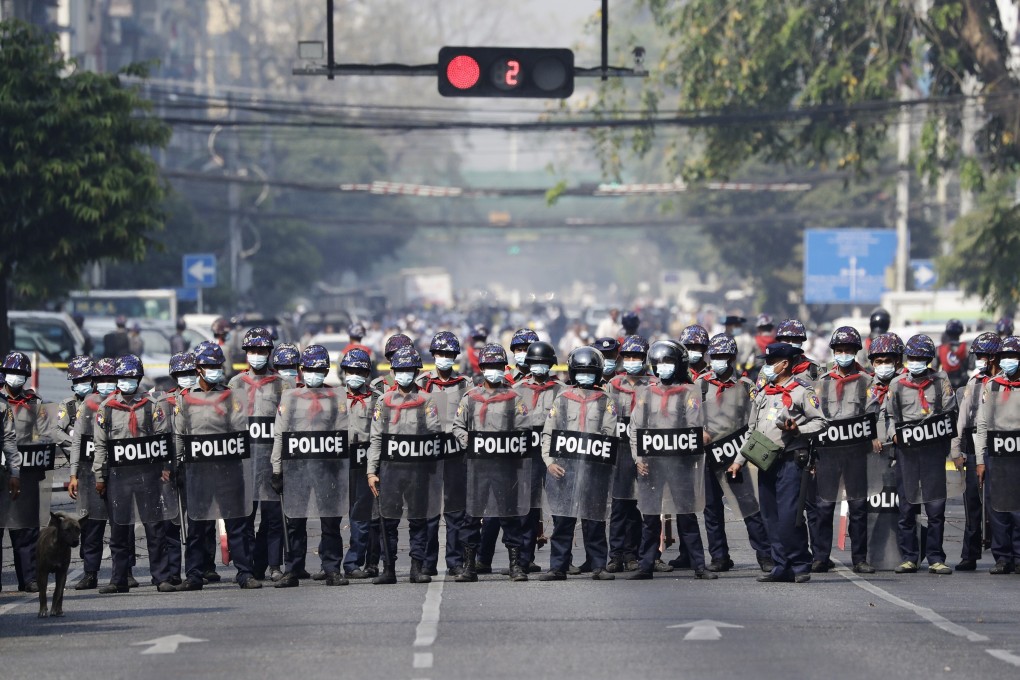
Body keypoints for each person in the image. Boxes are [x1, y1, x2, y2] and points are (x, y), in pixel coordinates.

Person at [731, 342, 825, 583]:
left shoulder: (802, 391)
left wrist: (798, 430)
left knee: (789, 515)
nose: (768, 366)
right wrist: (739, 461)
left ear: (785, 364)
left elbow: (821, 423)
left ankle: (800, 564)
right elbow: (752, 430)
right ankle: (781, 565)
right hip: (765, 460)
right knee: (770, 516)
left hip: (791, 461)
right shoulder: (764, 393)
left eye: (772, 362)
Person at [173, 342, 261, 590]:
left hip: (227, 469)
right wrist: (177, 465)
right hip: (198, 470)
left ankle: (245, 572)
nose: (214, 370)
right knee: (197, 525)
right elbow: (179, 434)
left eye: (217, 366)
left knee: (237, 524)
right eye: (209, 366)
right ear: (199, 369)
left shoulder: (230, 395)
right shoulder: (186, 398)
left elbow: (240, 429)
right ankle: (193, 575)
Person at [629, 340, 716, 580]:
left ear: (678, 365)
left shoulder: (689, 393)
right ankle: (646, 565)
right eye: (659, 363)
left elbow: (694, 425)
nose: (663, 367)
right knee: (649, 517)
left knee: (687, 515)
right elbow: (635, 429)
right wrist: (638, 458)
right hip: (652, 464)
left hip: (680, 464)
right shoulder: (646, 393)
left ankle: (699, 565)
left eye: (668, 362)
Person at [92, 354, 176, 593]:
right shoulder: (106, 408)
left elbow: (163, 439)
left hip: (148, 475)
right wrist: (100, 476)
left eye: (130, 377)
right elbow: (100, 445)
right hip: (119, 477)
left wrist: (166, 468)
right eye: (122, 378)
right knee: (119, 530)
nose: (126, 382)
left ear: (138, 379)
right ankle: (118, 579)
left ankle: (161, 578)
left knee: (155, 528)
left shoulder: (151, 405)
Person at [271, 345, 350, 588]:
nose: (314, 373)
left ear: (326, 371)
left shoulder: (337, 396)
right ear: (302, 370)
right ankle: (293, 569)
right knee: (295, 522)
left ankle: (332, 569)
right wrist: (276, 469)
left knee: (330, 521)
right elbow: (280, 435)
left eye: (320, 369)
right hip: (297, 468)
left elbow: (344, 431)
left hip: (327, 468)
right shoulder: (290, 397)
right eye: (310, 369)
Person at [452, 344, 531, 582]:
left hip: (505, 467)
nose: (493, 371)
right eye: (489, 367)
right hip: (477, 466)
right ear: (482, 368)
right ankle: (469, 565)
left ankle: (516, 564)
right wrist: (471, 442)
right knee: (472, 516)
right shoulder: (470, 398)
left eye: (498, 367)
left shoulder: (514, 398)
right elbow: (457, 426)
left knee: (509, 515)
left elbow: (523, 428)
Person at [880, 334, 958, 575]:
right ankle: (909, 557)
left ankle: (935, 557)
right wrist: (892, 434)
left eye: (921, 358)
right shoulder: (897, 384)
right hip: (907, 452)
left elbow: (950, 412)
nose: (916, 362)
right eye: (912, 357)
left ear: (929, 359)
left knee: (936, 508)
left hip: (933, 452)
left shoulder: (940, 381)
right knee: (906, 507)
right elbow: (889, 415)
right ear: (906, 359)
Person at [539, 346, 618, 581]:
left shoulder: (606, 401)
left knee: (594, 520)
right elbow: (548, 434)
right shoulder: (562, 399)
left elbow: (609, 434)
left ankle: (598, 566)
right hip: (565, 471)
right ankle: (558, 567)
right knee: (563, 520)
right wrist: (549, 462)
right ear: (573, 373)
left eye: (590, 372)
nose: (586, 376)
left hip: (594, 471)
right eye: (581, 372)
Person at [366, 345, 444, 585]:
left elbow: (434, 431)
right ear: (394, 371)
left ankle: (417, 567)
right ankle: (388, 568)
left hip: (418, 469)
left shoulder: (426, 399)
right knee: (387, 521)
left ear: (416, 370)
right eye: (400, 370)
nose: (405, 374)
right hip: (390, 470)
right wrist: (371, 471)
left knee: (418, 520)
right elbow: (376, 437)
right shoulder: (384, 401)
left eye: (409, 369)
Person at [696, 334, 773, 572]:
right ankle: (719, 556)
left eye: (722, 356)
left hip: (735, 455)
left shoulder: (745, 386)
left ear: (731, 358)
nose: (718, 361)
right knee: (711, 508)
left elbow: (755, 421)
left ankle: (765, 555)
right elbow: (688, 415)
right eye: (714, 356)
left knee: (749, 507)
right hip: (708, 455)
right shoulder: (701, 384)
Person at [811, 327, 876, 574]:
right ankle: (820, 557)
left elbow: (873, 413)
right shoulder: (822, 383)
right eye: (840, 350)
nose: (844, 354)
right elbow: (815, 416)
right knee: (824, 506)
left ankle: (860, 558)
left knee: (858, 506)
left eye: (848, 350)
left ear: (856, 352)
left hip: (856, 453)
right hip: (828, 453)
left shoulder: (867, 382)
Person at [229, 327, 290, 583]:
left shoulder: (281, 385)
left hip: (270, 461)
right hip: (244, 462)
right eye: (253, 351)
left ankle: (273, 564)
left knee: (273, 518)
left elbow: (286, 423)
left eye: (262, 351)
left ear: (269, 353)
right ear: (246, 353)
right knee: (244, 519)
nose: (257, 355)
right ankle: (248, 567)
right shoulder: (235, 384)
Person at [1, 351, 64, 593]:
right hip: (2, 472)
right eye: (11, 373)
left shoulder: (34, 403)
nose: (15, 377)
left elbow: (47, 435)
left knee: (26, 530)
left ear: (26, 376)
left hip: (26, 474)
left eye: (19, 374)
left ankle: (28, 579)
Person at [416, 331, 471, 577]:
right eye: (441, 354)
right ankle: (427, 563)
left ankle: (455, 562)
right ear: (434, 355)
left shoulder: (465, 384)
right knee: (428, 511)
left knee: (455, 511)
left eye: (449, 354)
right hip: (428, 454)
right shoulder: (422, 383)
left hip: (455, 453)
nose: (445, 358)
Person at [950, 332, 1001, 570]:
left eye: (982, 356)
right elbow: (962, 418)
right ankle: (969, 555)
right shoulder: (974, 381)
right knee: (972, 502)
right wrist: (956, 448)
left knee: (999, 502)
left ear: (993, 357)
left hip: (1000, 445)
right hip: (973, 445)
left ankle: (1005, 555)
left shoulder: (1006, 381)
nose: (978, 360)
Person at [604, 335, 654, 573]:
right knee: (619, 505)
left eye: (637, 357)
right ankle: (615, 555)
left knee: (638, 505)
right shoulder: (612, 385)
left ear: (644, 359)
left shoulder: (653, 385)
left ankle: (633, 554)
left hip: (647, 450)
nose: (632, 360)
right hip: (620, 449)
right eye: (629, 356)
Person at [512, 341, 563, 571]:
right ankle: (524, 559)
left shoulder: (562, 390)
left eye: (543, 363)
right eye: (535, 363)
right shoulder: (518, 390)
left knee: (560, 506)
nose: (539, 367)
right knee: (528, 507)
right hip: (528, 454)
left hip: (555, 454)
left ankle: (563, 560)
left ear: (550, 364)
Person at [975, 335, 1020, 574]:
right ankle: (1002, 557)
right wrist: (981, 460)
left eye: (1013, 357)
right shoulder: (991, 385)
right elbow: (982, 425)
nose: (1009, 361)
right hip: (997, 453)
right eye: (1005, 357)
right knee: (998, 508)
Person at [341, 349, 382, 579]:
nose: (354, 375)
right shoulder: (334, 397)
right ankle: (329, 565)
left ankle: (353, 563)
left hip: (364, 463)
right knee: (331, 517)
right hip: (337, 461)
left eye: (359, 371)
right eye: (350, 370)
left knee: (361, 515)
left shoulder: (376, 398)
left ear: (366, 373)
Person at [935, 319, 970, 390]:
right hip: (963, 385)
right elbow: (972, 366)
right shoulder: (966, 347)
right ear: (961, 331)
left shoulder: (939, 349)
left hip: (945, 385)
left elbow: (934, 369)